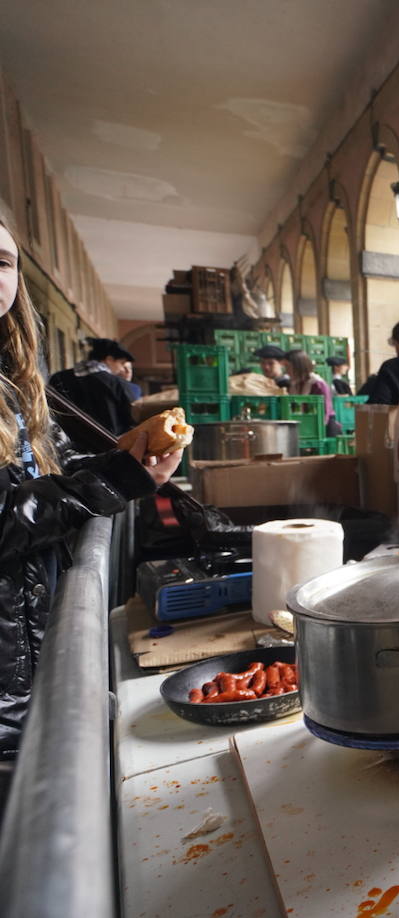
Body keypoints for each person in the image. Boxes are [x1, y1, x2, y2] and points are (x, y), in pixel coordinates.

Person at [0, 218, 182, 778]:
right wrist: (116, 481)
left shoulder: (13, 382)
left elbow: (40, 474)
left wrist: (122, 465)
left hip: (26, 662)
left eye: (3, 262)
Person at [47, 337, 138, 435]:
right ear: (109, 360)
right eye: (122, 363)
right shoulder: (117, 384)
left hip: (64, 443)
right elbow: (133, 417)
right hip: (107, 445)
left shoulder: (59, 377)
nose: (122, 369)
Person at [283, 349, 342, 438]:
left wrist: (312, 432)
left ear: (298, 366)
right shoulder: (294, 384)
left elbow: (324, 413)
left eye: (288, 367)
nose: (286, 371)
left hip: (323, 428)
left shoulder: (317, 384)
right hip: (303, 426)